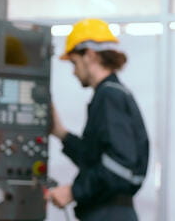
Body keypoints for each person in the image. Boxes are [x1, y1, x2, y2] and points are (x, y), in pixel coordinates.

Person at [48, 18, 149, 221]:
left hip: (108, 214)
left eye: (74, 62)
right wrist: (62, 134)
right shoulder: (111, 94)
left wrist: (73, 192)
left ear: (90, 55)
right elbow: (97, 159)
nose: (74, 71)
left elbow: (119, 166)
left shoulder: (108, 96)